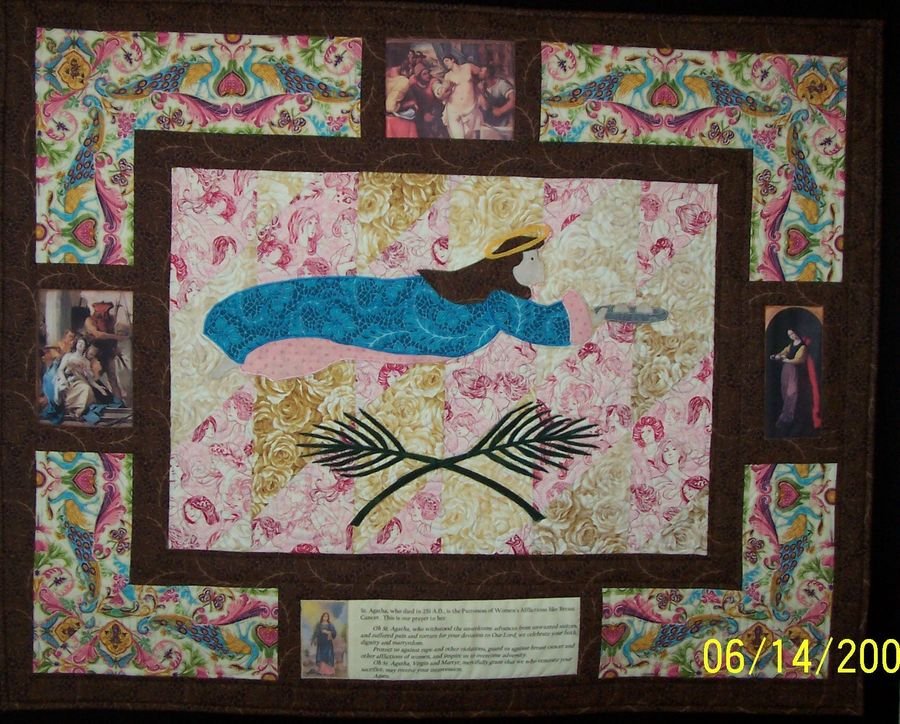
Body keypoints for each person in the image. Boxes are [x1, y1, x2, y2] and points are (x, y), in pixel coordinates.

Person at [205, 224, 612, 380]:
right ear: (511, 265)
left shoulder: (486, 294)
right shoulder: (497, 300)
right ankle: (237, 337)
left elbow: (533, 318)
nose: (541, 269)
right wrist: (589, 317)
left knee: (325, 302)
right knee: (326, 306)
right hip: (398, 318)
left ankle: (238, 338)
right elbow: (538, 324)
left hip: (394, 315)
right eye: (534, 260)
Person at [770, 328, 822, 436]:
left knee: (792, 392)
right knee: (785, 391)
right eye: (789, 335)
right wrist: (777, 356)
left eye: (793, 333)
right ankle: (786, 416)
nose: (792, 336)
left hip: (794, 370)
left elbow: (799, 359)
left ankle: (788, 417)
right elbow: (784, 352)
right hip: (786, 369)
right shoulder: (791, 344)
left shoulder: (802, 347)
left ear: (797, 333)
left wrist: (786, 359)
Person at [438, 52, 484, 139]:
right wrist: (447, 88)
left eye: (447, 61)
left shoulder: (468, 67)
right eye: (444, 63)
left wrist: (479, 86)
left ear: (453, 60)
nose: (446, 64)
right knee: (458, 137)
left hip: (470, 107)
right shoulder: (448, 76)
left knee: (470, 136)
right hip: (454, 109)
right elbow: (442, 94)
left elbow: (482, 72)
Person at [478, 63, 515, 139]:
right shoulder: (482, 86)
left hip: (504, 125)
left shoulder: (502, 84)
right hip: (489, 125)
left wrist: (500, 110)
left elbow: (513, 101)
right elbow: (485, 106)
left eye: (481, 70)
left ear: (488, 73)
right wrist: (481, 93)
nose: (479, 72)